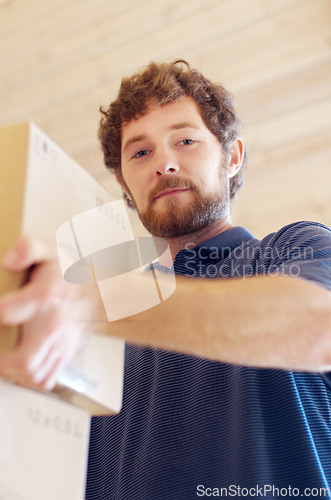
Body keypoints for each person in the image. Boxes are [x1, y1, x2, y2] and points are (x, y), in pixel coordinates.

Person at [1, 60, 331, 499]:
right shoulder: (89, 328)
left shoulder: (294, 248)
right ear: (123, 184)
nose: (165, 164)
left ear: (231, 157)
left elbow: (318, 327)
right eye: (140, 152)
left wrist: (91, 302)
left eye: (186, 140)